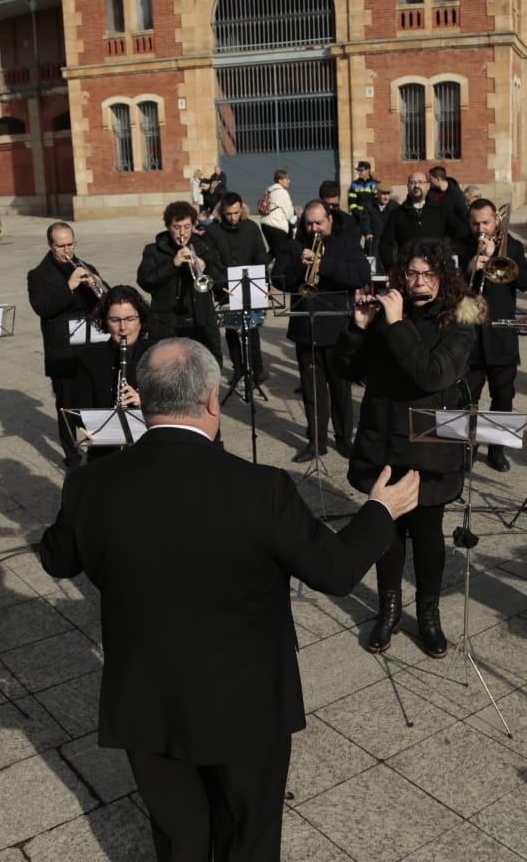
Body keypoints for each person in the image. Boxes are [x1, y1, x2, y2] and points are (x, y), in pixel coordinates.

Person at [39, 337, 419, 862]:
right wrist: (380, 510)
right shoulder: (262, 488)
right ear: (213, 400)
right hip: (247, 702)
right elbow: (335, 572)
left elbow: (57, 560)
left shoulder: (89, 484)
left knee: (179, 838)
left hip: (149, 699)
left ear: (143, 400)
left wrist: (89, 476)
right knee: (249, 833)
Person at [342, 239, 483, 658]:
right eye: (411, 274)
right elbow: (347, 370)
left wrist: (398, 322)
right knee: (385, 529)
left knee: (426, 532)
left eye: (428, 274)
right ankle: (388, 610)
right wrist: (358, 327)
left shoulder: (459, 319)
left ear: (444, 277)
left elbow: (430, 374)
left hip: (428, 440)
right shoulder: (387, 312)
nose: (417, 282)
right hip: (383, 435)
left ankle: (428, 615)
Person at [271, 201, 367, 462]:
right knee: (313, 392)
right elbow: (278, 280)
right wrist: (300, 267)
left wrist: (323, 264)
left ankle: (345, 440)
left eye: (319, 223)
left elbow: (360, 275)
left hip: (338, 328)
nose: (314, 229)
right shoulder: (293, 246)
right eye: (309, 223)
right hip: (306, 329)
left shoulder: (346, 244)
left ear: (330, 219)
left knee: (341, 391)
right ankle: (316, 442)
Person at [465, 199, 527, 471]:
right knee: (467, 397)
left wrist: (496, 256)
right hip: (471, 335)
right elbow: (449, 286)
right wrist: (470, 268)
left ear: (496, 220)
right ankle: (468, 446)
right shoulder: (461, 245)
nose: (480, 228)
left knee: (503, 397)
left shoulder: (512, 246)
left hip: (502, 334)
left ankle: (497, 450)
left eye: (485, 222)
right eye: (475, 223)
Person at [27, 223, 104, 470]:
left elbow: (105, 300)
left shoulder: (85, 266)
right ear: (50, 246)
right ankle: (72, 458)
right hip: (62, 352)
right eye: (61, 246)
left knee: (95, 400)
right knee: (67, 406)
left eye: (70, 244)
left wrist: (98, 284)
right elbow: (43, 308)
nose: (67, 250)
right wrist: (69, 286)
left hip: (90, 347)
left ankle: (98, 451)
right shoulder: (37, 275)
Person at [70, 285, 155, 461]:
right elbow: (80, 412)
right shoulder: (90, 357)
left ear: (141, 319)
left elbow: (176, 407)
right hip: (105, 453)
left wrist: (144, 401)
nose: (123, 327)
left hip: (149, 448)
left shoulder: (158, 355)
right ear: (105, 322)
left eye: (130, 319)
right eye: (115, 320)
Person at [138, 201, 225, 361]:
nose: (182, 233)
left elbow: (222, 282)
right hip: (167, 324)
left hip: (201, 323)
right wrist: (173, 264)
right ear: (168, 226)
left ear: (193, 225)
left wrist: (205, 267)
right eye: (176, 227)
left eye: (187, 227)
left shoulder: (205, 248)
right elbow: (145, 281)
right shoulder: (153, 250)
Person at [203, 192, 269, 388]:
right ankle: (239, 368)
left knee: (252, 328)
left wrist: (260, 273)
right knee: (231, 330)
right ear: (222, 212)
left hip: (251, 284)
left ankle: (257, 369)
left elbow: (261, 255)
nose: (232, 218)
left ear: (242, 209)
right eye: (229, 214)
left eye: (236, 213)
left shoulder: (251, 227)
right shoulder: (213, 231)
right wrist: (222, 281)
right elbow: (211, 261)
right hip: (225, 288)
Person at [376, 170, 474, 273]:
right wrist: (393, 269)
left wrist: (448, 255)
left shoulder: (441, 210)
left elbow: (461, 232)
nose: (416, 185)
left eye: (420, 182)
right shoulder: (397, 214)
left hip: (436, 271)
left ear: (428, 186)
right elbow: (385, 244)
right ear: (408, 187)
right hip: (409, 272)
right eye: (412, 183)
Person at [259, 168, 296, 237]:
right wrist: (294, 221)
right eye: (287, 179)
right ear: (280, 180)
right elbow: (289, 214)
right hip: (277, 225)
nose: (289, 181)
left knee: (273, 247)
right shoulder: (282, 192)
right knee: (281, 247)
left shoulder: (268, 190)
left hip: (265, 224)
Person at [347, 160, 379, 237]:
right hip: (358, 217)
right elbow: (351, 202)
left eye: (361, 170)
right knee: (355, 239)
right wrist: (358, 213)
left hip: (372, 217)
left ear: (368, 171)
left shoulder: (375, 184)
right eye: (358, 170)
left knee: (370, 241)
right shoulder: (354, 184)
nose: (359, 172)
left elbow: (378, 201)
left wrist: (373, 213)